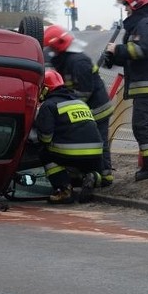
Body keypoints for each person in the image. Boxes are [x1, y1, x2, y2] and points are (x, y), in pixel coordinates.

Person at [104, 0, 148, 181]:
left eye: (126, 5)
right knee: (142, 125)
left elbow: (140, 50)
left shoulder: (145, 24)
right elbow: (132, 54)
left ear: (135, 4)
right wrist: (114, 57)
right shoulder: (140, 24)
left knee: (142, 125)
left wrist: (118, 50)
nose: (125, 9)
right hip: (145, 84)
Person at [43, 24, 115, 187]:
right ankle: (83, 175)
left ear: (58, 45)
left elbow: (83, 92)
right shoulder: (66, 60)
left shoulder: (78, 61)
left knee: (99, 142)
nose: (49, 52)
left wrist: (65, 110)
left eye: (50, 48)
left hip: (97, 110)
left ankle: (105, 177)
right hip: (84, 110)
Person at [34, 69, 104, 204]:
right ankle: (94, 176)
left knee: (44, 153)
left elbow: (46, 137)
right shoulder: (80, 103)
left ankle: (64, 190)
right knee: (84, 163)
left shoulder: (49, 105)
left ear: (45, 89)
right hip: (96, 154)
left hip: (71, 153)